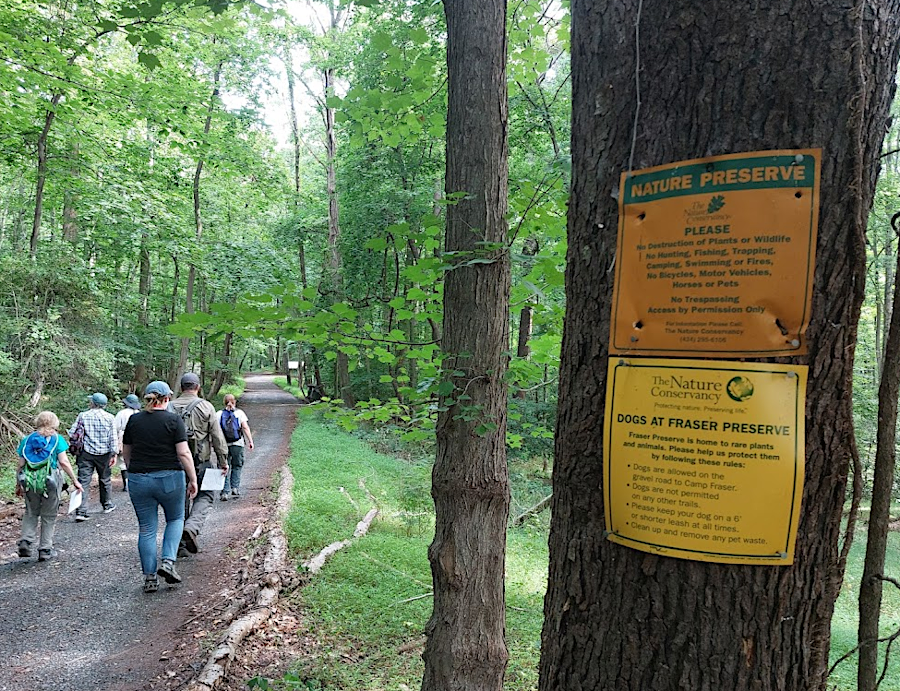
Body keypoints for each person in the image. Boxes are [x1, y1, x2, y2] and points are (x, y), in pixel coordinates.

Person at [122, 381, 199, 593]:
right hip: (170, 478)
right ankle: (167, 562)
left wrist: (131, 470)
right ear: (167, 398)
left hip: (139, 479)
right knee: (175, 519)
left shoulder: (134, 420)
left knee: (146, 528)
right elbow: (183, 453)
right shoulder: (174, 420)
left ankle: (149, 578)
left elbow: (126, 450)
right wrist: (192, 479)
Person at [170, 372, 228, 555]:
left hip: (174, 462)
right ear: (198, 387)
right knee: (206, 495)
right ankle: (192, 527)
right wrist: (223, 460)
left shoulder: (169, 407)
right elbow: (217, 437)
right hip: (200, 461)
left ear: (181, 388)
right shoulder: (206, 406)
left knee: (179, 501)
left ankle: (179, 544)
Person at [16, 411, 83, 561]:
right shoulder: (57, 439)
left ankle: (26, 540)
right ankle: (45, 549)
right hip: (51, 481)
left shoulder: (27, 440)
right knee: (49, 514)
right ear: (55, 424)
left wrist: (18, 484)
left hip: (29, 481)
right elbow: (64, 462)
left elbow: (20, 464)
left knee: (31, 511)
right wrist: (74, 480)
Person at [68, 392, 118, 521]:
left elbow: (73, 432)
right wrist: (114, 453)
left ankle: (81, 511)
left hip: (85, 453)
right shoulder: (110, 417)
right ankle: (107, 505)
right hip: (104, 453)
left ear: (93, 403)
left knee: (83, 481)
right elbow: (113, 437)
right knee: (105, 479)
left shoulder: (83, 415)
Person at [215, 394, 254, 501]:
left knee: (224, 467)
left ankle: (224, 492)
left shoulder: (218, 414)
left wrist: (212, 444)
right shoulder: (239, 413)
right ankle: (235, 488)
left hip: (223, 445)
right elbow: (245, 427)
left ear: (224, 402)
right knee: (237, 465)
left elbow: (215, 431)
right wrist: (250, 441)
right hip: (238, 444)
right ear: (234, 402)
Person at [114, 394, 142, 492]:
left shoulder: (121, 413)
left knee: (123, 461)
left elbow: (116, 427)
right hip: (138, 438)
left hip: (124, 437)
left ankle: (126, 483)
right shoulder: (139, 413)